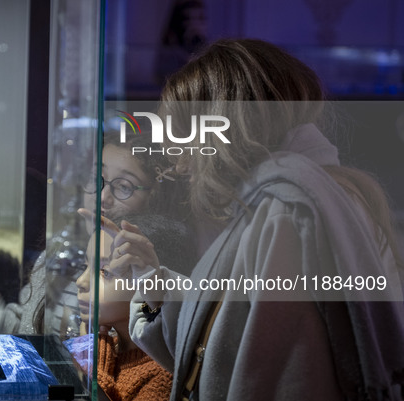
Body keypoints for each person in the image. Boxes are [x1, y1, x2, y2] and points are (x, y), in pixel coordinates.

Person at [102, 39, 404, 400]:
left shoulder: (288, 206)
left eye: (183, 138)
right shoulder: (298, 196)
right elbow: (231, 329)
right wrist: (155, 282)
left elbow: (268, 372)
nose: (180, 163)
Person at [0, 130, 191, 337]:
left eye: (125, 186)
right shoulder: (62, 253)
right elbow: (30, 327)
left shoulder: (154, 280)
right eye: (96, 179)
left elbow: (163, 338)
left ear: (156, 200)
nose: (102, 197)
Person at [67, 214, 196, 401]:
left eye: (105, 272)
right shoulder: (109, 349)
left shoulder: (161, 374)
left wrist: (92, 371)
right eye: (85, 266)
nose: (81, 281)